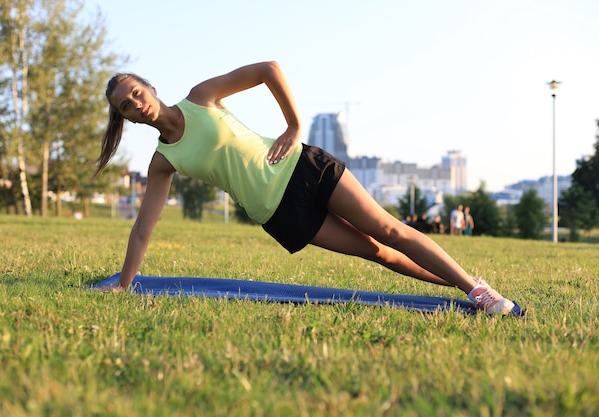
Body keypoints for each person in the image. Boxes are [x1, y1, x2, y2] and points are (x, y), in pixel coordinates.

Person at [94, 61, 517, 315]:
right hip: (280, 214)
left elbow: (269, 70)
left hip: (304, 168)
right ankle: (464, 284)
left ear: (150, 87)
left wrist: (294, 125)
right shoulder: (164, 160)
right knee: (377, 252)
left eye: (136, 92)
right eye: (126, 106)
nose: (136, 103)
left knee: (390, 230)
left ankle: (476, 291)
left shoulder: (200, 97)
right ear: (127, 118)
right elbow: (143, 229)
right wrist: (126, 282)